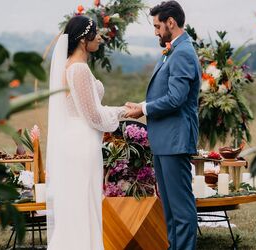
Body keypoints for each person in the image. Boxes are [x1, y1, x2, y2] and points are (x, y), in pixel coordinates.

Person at [46, 15, 127, 250]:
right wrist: (125, 112)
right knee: (82, 204)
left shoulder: (69, 66)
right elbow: (92, 115)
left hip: (75, 141)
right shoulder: (78, 69)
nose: (100, 38)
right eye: (96, 34)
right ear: (83, 39)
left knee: (77, 203)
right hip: (81, 143)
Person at [125, 1, 201, 249]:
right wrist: (142, 104)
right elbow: (166, 94)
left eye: (158, 26)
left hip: (175, 140)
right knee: (169, 207)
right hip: (165, 140)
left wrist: (144, 109)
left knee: (180, 207)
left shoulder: (183, 52)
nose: (156, 31)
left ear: (171, 22)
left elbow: (176, 98)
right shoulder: (174, 50)